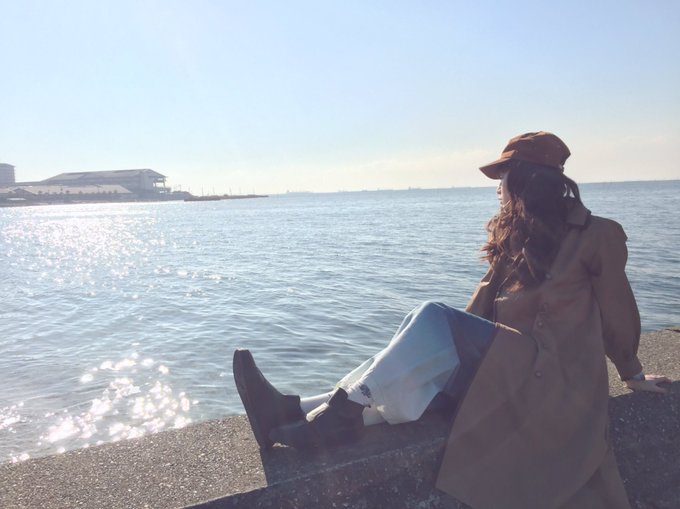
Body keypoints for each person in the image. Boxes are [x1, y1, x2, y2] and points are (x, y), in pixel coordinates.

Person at [232, 131, 670, 508]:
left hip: (552, 381)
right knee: (421, 328)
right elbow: (477, 309)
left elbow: (617, 310)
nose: (497, 188)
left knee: (430, 316)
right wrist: (442, 349)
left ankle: (339, 413)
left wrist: (632, 373)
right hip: (507, 373)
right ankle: (294, 411)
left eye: (503, 177)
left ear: (526, 180)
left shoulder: (598, 235)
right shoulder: (517, 236)